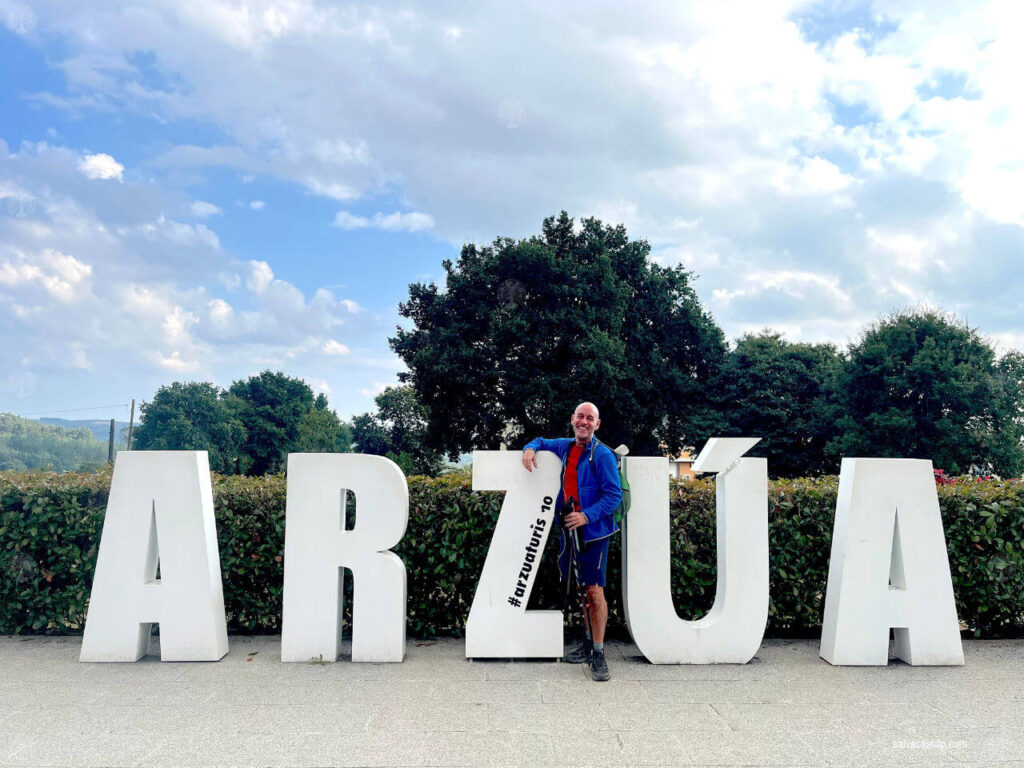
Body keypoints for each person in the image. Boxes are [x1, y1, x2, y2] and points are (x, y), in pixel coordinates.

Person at [522, 401, 621, 681]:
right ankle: (588, 644)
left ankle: (599, 654)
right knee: (579, 589)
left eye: (590, 418)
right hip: (569, 530)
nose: (584, 421)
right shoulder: (566, 446)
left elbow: (613, 496)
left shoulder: (602, 455)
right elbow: (540, 439)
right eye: (580, 416)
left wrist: (586, 516)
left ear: (597, 424)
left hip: (594, 532)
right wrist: (529, 448)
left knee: (593, 591)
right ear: (572, 419)